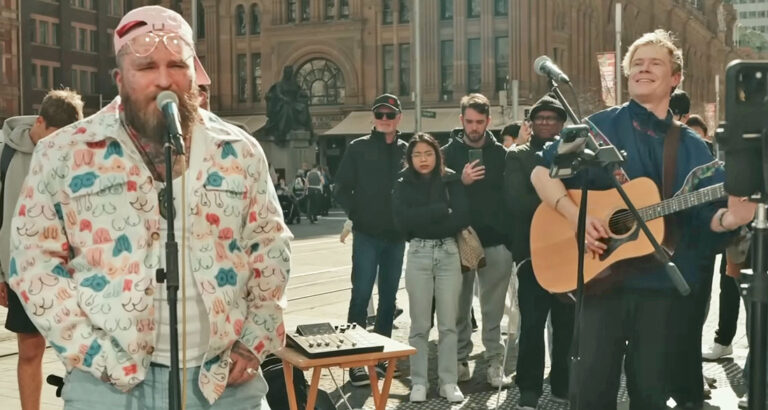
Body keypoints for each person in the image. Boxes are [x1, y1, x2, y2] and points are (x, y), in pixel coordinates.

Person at [7, 6, 291, 409]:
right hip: (107, 387)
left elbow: (271, 248)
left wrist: (254, 342)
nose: (163, 79)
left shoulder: (239, 151)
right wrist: (90, 353)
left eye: (177, 64)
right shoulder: (64, 153)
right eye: (145, 67)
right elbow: (34, 261)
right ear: (120, 79)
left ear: (194, 73)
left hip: (222, 383)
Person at [531, 29, 755, 409]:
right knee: (590, 393)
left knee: (650, 394)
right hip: (601, 281)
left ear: (675, 78)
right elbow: (541, 173)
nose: (643, 69)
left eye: (655, 63)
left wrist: (732, 218)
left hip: (659, 291)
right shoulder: (599, 127)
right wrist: (575, 217)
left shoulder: (693, 148)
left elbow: (706, 221)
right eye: (636, 63)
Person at [0, 89, 84, 410]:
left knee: (79, 353)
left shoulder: (77, 154)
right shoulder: (5, 154)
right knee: (30, 352)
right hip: (22, 273)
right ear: (39, 121)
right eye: (54, 137)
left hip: (69, 273)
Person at [505, 93, 574, 409]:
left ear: (562, 124)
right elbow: (516, 203)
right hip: (532, 253)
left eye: (553, 118)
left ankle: (563, 384)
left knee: (567, 325)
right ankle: (529, 389)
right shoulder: (518, 156)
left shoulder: (574, 157)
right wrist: (561, 204)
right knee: (532, 325)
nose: (546, 123)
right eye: (540, 118)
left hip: (570, 252)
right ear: (530, 124)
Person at [334, 93, 407, 385]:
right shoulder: (357, 148)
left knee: (389, 299)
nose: (385, 120)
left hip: (396, 237)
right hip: (366, 235)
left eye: (390, 115)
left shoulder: (407, 149)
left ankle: (380, 356)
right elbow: (340, 187)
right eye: (380, 115)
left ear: (399, 117)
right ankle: (355, 361)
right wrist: (357, 214)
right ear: (374, 118)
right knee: (361, 296)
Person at [442, 93, 513, 388]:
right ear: (461, 120)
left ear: (489, 121)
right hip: (460, 238)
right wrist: (461, 180)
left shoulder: (502, 155)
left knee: (493, 308)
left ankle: (494, 362)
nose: (474, 127)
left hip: (496, 240)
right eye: (469, 121)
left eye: (479, 122)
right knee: (459, 305)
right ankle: (460, 359)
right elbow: (435, 193)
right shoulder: (445, 153)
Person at [393, 133, 470, 403]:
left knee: (449, 324)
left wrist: (424, 216)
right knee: (420, 325)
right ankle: (419, 382)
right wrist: (438, 210)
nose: (423, 159)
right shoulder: (402, 183)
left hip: (449, 252)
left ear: (437, 154)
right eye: (417, 154)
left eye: (428, 153)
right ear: (410, 158)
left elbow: (461, 216)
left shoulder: (450, 179)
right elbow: (402, 221)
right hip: (418, 253)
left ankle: (448, 381)